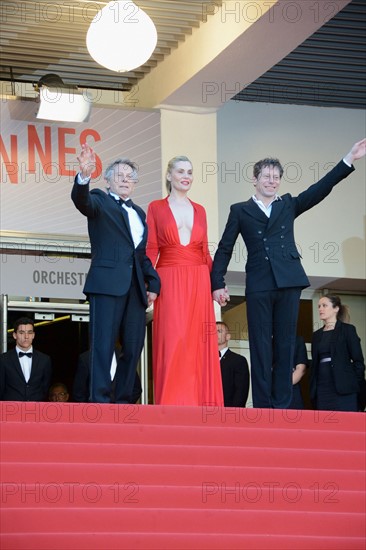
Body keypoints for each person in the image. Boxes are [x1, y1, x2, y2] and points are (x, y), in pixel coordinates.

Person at [211, 138, 366, 409]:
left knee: (285, 343)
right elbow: (224, 248)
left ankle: (281, 405)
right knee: (260, 345)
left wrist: (348, 159)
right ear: (255, 179)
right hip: (259, 283)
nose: (271, 181)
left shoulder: (288, 205)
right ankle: (262, 405)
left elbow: (319, 190)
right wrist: (218, 283)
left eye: (276, 177)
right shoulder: (240, 210)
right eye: (266, 176)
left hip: (289, 281)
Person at [71, 143, 161, 404]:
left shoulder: (140, 213)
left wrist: (153, 281)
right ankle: (100, 399)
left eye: (130, 177)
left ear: (135, 184)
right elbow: (82, 201)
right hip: (106, 284)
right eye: (119, 176)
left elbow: (140, 254)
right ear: (108, 181)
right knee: (103, 345)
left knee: (133, 348)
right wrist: (84, 177)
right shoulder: (99, 199)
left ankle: (122, 400)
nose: (125, 180)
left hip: (134, 289)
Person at [146, 156, 223, 406]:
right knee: (172, 340)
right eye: (180, 171)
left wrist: (216, 285)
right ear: (169, 176)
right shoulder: (156, 207)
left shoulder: (200, 209)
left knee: (198, 342)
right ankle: (171, 405)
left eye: (189, 171)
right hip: (168, 277)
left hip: (199, 279)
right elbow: (150, 249)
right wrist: (150, 284)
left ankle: (201, 404)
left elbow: (204, 252)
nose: (186, 175)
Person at [311, 295, 365, 412]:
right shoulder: (317, 335)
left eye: (324, 306)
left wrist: (353, 383)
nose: (320, 309)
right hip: (322, 388)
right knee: (325, 426)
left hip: (344, 388)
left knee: (346, 424)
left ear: (336, 308)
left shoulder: (348, 330)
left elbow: (358, 361)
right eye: (319, 306)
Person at [0, 317, 52, 401]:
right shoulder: (3, 359)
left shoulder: (45, 360)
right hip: (10, 410)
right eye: (21, 333)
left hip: (36, 410)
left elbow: (45, 388)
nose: (26, 336)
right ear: (14, 335)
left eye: (29, 332)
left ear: (33, 335)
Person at [73, 348, 142, 404]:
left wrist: (122, 406)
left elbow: (136, 389)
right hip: (95, 415)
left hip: (121, 414)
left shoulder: (124, 357)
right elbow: (78, 393)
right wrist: (91, 410)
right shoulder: (86, 358)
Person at [217, 321, 250, 407]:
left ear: (228, 336)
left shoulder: (239, 361)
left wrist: (233, 415)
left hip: (229, 414)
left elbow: (241, 392)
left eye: (219, 331)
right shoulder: (204, 361)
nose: (215, 334)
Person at [288, 335, 308, 410]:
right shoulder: (268, 341)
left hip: (292, 391)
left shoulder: (297, 340)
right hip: (271, 393)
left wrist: (282, 386)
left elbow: (301, 370)